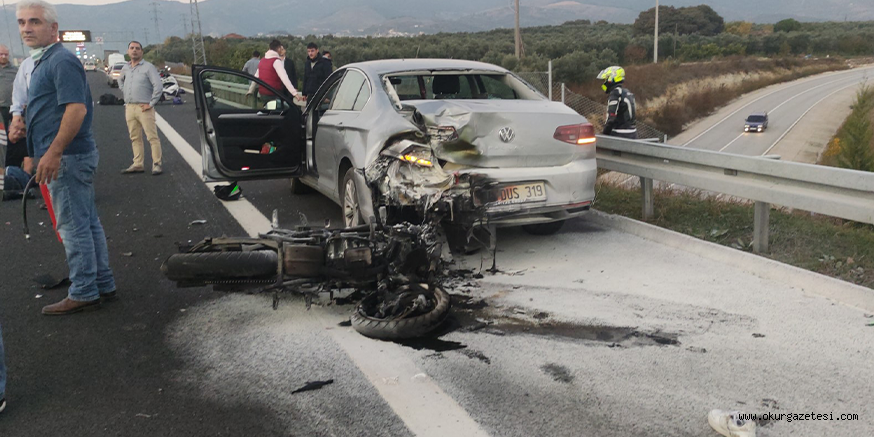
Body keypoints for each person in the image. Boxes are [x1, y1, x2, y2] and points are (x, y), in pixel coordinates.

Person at [18, 0, 117, 315]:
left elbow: (76, 109)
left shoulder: (60, 60)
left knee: (74, 227)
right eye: (21, 22)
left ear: (53, 28)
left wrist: (53, 152)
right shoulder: (46, 60)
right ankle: (102, 284)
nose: (26, 28)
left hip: (68, 157)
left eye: (34, 21)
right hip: (68, 155)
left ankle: (85, 290)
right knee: (87, 224)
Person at [119, 40, 163, 175]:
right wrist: (125, 91)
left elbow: (158, 86)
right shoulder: (125, 68)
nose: (134, 50)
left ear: (141, 52)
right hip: (130, 107)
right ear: (128, 51)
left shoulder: (148, 67)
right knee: (134, 137)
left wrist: (151, 103)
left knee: (152, 137)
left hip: (144, 108)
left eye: (137, 48)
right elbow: (120, 80)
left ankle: (157, 164)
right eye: (131, 48)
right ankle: (138, 163)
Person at [246, 39, 300, 105]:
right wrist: (294, 93)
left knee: (267, 112)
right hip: (273, 93)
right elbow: (284, 78)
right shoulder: (276, 61)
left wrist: (250, 90)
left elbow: (256, 77)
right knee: (279, 113)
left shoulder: (262, 61)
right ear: (279, 48)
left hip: (263, 93)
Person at [596, 66, 637, 139]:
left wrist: (604, 134)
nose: (604, 82)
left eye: (606, 79)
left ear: (611, 78)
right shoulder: (627, 92)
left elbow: (611, 118)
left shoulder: (615, 93)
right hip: (633, 134)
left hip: (620, 135)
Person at [0, 44, 17, 168]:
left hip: (10, 110)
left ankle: (9, 165)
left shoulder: (14, 70)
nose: (3, 56)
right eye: (1, 54)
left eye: (6, 54)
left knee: (10, 137)